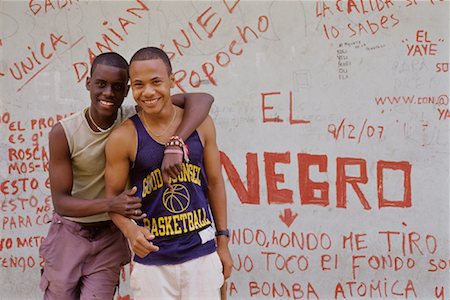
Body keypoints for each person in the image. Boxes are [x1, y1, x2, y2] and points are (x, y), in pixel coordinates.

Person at [39, 51, 214, 300]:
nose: (108, 93)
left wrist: (176, 142)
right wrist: (111, 204)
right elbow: (61, 202)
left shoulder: (135, 116)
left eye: (118, 87)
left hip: (110, 233)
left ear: (127, 90)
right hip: (71, 231)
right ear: (88, 83)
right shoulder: (64, 132)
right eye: (101, 84)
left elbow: (202, 99)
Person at [105, 47, 232, 300]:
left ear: (172, 81)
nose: (148, 92)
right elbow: (112, 200)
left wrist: (224, 243)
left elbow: (216, 184)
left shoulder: (201, 124)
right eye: (139, 84)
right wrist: (131, 231)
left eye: (156, 82)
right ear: (132, 89)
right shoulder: (124, 137)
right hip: (153, 262)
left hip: (202, 256)